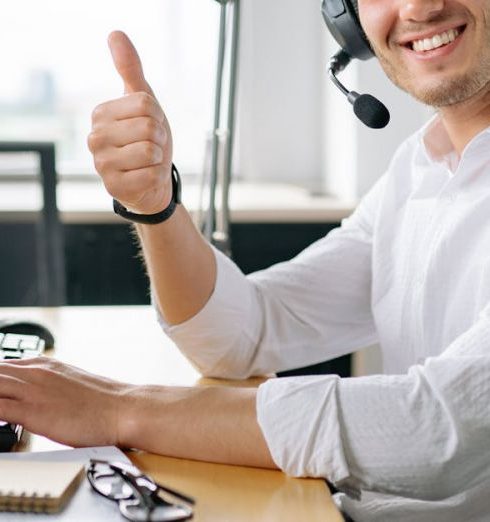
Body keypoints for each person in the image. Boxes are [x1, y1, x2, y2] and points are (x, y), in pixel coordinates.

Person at [1, 0, 490, 518]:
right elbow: (242, 335)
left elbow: (435, 432)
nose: (420, 6)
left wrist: (118, 409)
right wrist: (156, 205)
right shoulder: (420, 170)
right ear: (346, 16)